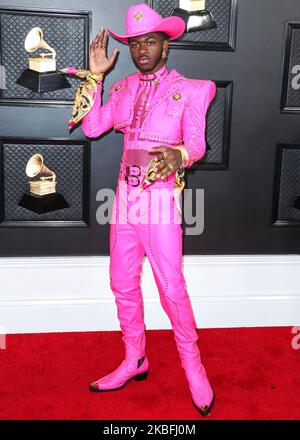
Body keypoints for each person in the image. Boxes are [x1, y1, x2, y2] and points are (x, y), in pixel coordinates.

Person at [67, 3, 216, 416]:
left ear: (165, 46)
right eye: (135, 44)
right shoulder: (124, 88)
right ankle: (135, 358)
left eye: (150, 42)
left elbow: (199, 144)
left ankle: (192, 364)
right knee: (121, 282)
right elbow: (94, 126)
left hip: (160, 201)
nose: (142, 50)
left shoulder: (191, 89)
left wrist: (180, 153)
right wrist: (96, 76)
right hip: (124, 199)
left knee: (171, 288)